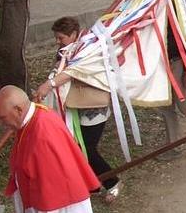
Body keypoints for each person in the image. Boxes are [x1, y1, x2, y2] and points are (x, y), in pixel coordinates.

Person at [32, 17, 121, 202]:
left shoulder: (88, 49)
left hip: (94, 107)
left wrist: (48, 84)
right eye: (56, 37)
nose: (57, 41)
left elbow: (73, 71)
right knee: (78, 147)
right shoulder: (67, 51)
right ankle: (93, 185)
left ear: (73, 34)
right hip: (75, 106)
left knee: (86, 148)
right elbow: (61, 71)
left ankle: (112, 182)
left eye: (61, 37)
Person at [0, 85, 100, 213]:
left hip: (59, 204)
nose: (0, 123)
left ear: (18, 110)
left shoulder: (43, 133)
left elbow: (50, 189)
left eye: (2, 117)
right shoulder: (33, 119)